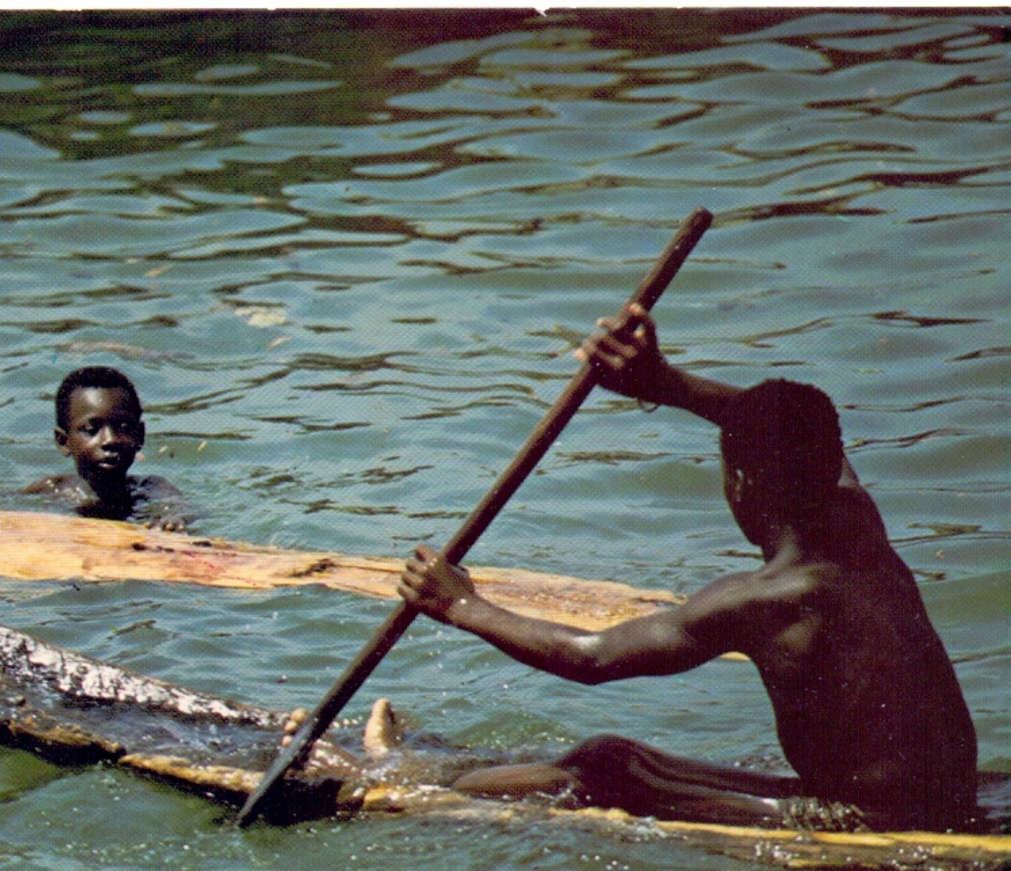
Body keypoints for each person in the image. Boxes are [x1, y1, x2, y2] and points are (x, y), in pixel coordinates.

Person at [394, 304, 978, 833]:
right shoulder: (859, 527)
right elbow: (782, 428)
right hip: (935, 796)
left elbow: (590, 657)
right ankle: (437, 765)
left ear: (741, 483)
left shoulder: (768, 598)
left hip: (865, 820)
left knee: (606, 769)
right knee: (610, 755)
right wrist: (664, 383)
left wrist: (460, 606)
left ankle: (398, 786)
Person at [0, 366, 190, 530]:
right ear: (63, 442)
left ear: (140, 435)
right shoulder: (54, 489)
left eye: (122, 426)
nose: (110, 440)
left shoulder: (152, 488)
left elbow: (184, 509)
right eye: (91, 429)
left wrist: (174, 519)